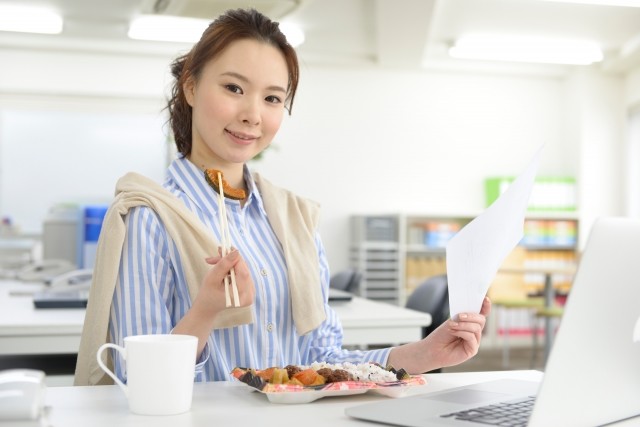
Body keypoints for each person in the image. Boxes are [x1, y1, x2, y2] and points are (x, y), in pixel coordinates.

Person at [74, 8, 491, 386]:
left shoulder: (294, 220)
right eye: (234, 88)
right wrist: (205, 311)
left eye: (273, 97)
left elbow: (322, 362)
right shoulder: (150, 217)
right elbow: (135, 379)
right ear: (190, 88)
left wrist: (421, 355)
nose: (253, 114)